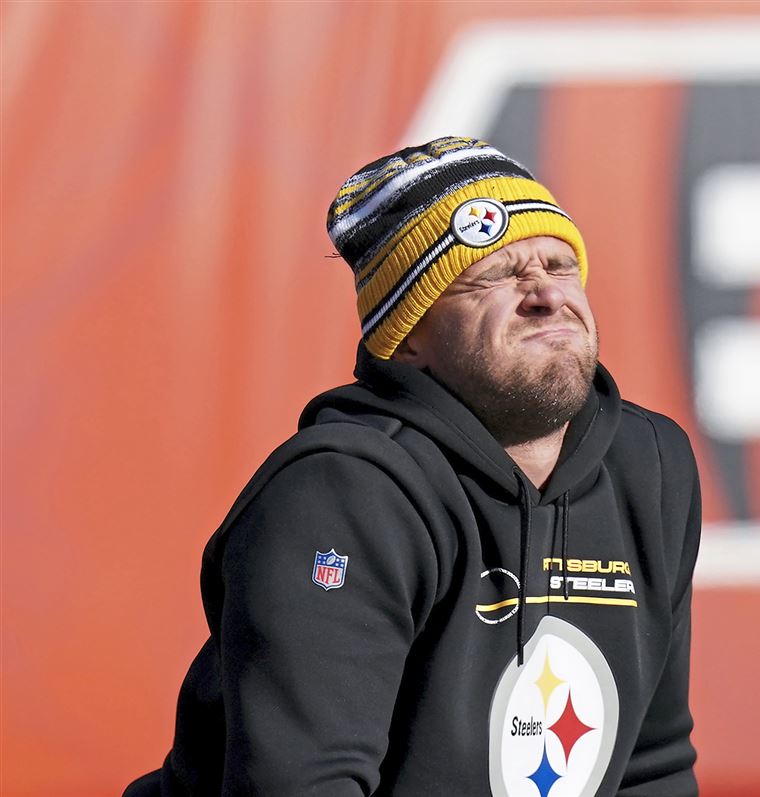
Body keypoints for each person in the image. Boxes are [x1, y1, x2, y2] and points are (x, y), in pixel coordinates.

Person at [125, 136, 702, 797]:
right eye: (492, 277)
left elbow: (649, 766)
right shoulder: (345, 490)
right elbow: (301, 786)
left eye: (559, 265)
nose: (544, 294)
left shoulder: (650, 466)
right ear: (410, 340)